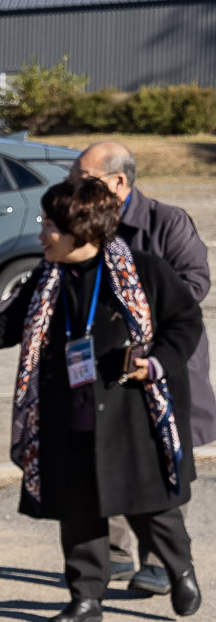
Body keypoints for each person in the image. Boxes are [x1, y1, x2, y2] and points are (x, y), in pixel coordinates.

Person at [0, 175, 200, 622]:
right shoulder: (45, 278)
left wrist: (156, 365)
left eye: (50, 225)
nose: (41, 234)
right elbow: (2, 328)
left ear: (83, 230)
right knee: (79, 509)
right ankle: (86, 598)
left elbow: (184, 323)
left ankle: (179, 567)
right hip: (69, 413)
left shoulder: (145, 271)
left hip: (132, 412)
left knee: (150, 505)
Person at [72, 139, 212, 595]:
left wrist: (133, 320)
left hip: (161, 362)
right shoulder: (87, 222)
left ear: (119, 181)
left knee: (163, 458)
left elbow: (195, 282)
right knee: (106, 449)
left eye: (86, 179)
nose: (76, 187)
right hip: (104, 366)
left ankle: (159, 561)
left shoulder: (166, 221)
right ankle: (113, 553)